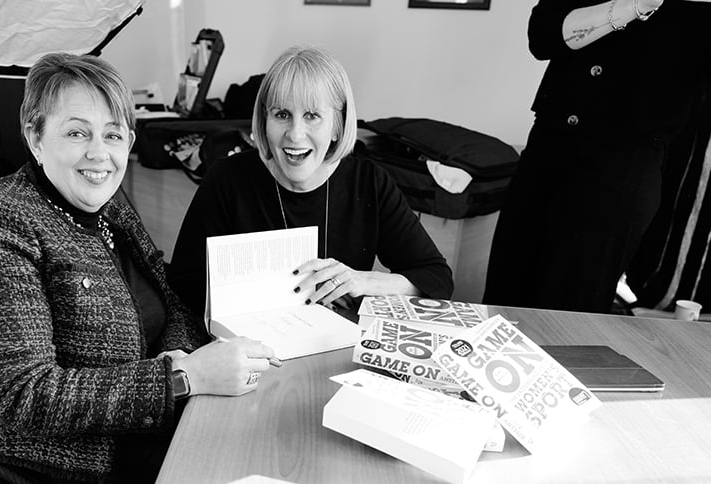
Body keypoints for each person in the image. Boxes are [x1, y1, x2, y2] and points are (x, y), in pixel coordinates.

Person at [0, 53, 275, 484]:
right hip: (47, 449)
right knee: (248, 465)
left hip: (139, 410)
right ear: (35, 136)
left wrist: (179, 355)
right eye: (76, 132)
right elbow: (26, 398)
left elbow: (167, 296)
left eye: (112, 134)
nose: (99, 153)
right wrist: (184, 379)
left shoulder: (108, 207)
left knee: (269, 420)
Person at [167, 45, 454, 317]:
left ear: (337, 126)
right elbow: (182, 287)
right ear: (264, 121)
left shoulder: (368, 182)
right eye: (282, 114)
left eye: (312, 116)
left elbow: (436, 278)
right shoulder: (226, 179)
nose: (295, 134)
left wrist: (364, 282)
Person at [484, 0, 711, 314]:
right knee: (504, 297)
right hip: (547, 149)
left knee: (569, 308)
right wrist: (638, 4)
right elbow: (543, 36)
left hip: (622, 167)